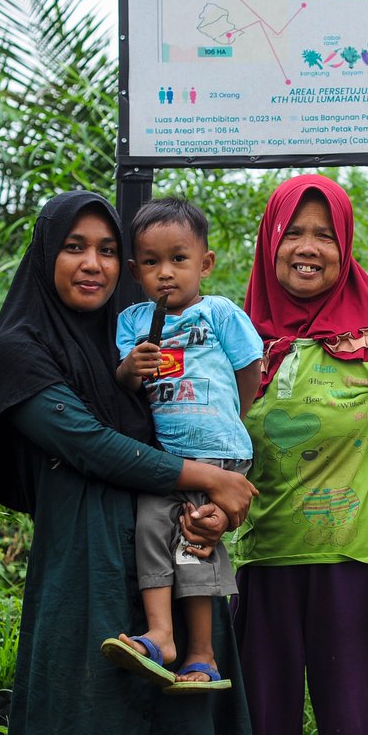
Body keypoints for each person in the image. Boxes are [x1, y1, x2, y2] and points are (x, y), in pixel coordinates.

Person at [0, 190, 258, 735]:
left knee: (181, 723)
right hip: (88, 567)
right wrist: (211, 478)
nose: (93, 263)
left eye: (107, 250)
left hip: (176, 554)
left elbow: (195, 419)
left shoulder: (131, 335)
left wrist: (214, 504)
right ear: (45, 254)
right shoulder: (21, 349)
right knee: (91, 715)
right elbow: (88, 444)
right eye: (74, 247)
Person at [231, 174, 368, 735]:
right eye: (293, 233)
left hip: (355, 574)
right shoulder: (240, 343)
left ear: (345, 247)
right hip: (261, 566)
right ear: (270, 242)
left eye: (325, 235)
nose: (308, 248)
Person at [102, 198, 262, 691]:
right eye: (151, 263)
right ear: (135, 271)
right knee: (152, 526)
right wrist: (130, 369)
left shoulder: (219, 313)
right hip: (167, 457)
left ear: (205, 263)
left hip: (217, 449)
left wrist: (233, 418)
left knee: (194, 540)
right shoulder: (132, 322)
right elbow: (125, 384)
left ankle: (203, 654)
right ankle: (161, 636)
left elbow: (250, 369)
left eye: (179, 259)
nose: (166, 273)